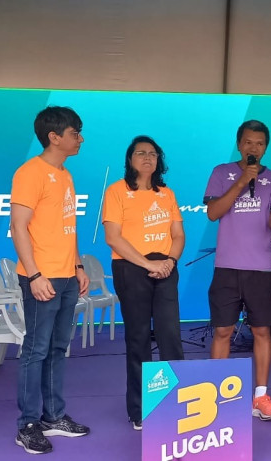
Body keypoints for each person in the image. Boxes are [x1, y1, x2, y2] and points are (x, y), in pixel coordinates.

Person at [10, 106, 91, 454]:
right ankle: (27, 425)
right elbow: (18, 227)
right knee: (36, 350)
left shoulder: (66, 175)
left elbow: (67, 227)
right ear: (54, 137)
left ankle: (54, 416)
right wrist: (34, 274)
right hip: (42, 277)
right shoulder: (30, 172)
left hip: (67, 276)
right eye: (75, 133)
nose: (80, 139)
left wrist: (78, 266)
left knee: (58, 348)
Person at [204, 120, 271, 422]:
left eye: (260, 143)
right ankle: (216, 397)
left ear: (266, 147)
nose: (254, 148)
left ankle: (260, 396)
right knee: (223, 331)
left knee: (262, 331)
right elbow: (213, 213)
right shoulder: (221, 173)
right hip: (227, 266)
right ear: (239, 144)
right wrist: (241, 182)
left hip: (261, 268)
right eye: (249, 142)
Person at [104, 135, 185, 431]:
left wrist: (170, 262)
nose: (147, 157)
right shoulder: (117, 191)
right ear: (130, 159)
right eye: (140, 153)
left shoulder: (167, 193)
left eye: (152, 153)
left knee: (170, 336)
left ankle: (176, 403)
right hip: (131, 267)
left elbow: (178, 235)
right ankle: (141, 409)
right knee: (138, 338)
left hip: (165, 267)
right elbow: (113, 238)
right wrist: (148, 264)